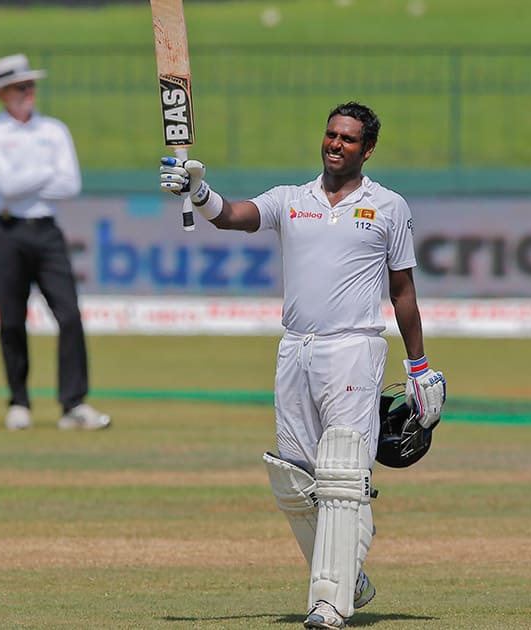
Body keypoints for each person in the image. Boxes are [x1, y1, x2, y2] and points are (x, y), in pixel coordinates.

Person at [158, 101, 446, 630]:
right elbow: (235, 216)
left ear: (368, 149)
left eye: (349, 139)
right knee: (295, 479)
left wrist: (419, 365)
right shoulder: (293, 199)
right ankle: (349, 569)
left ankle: (329, 601)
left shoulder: (389, 206)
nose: (336, 144)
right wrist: (199, 193)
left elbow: (403, 292)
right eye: (331, 135)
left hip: (354, 347)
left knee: (343, 470)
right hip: (296, 347)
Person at [0, 54, 111, 432]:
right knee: (12, 319)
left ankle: (74, 404)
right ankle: (19, 401)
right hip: (6, 232)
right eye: (21, 87)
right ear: (3, 94)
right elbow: (5, 186)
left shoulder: (53, 130)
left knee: (69, 314)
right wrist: (46, 171)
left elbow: (71, 185)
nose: (29, 93)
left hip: (46, 231)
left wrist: (25, 177)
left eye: (31, 86)